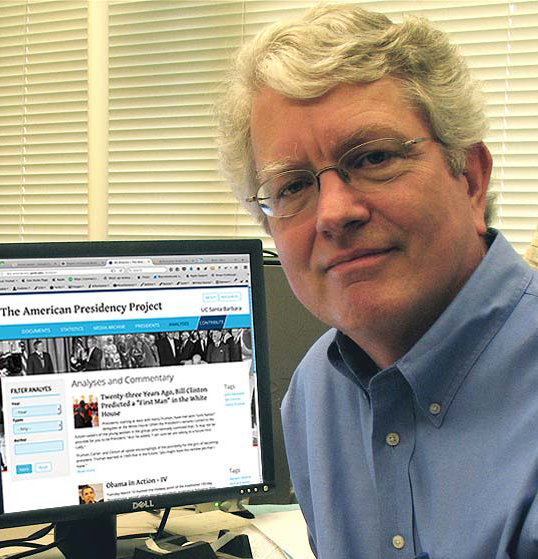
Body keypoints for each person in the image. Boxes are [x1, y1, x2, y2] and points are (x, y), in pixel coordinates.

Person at [215, 4, 538, 558]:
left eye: (373, 157)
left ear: (470, 179)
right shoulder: (314, 396)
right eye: (292, 186)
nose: (333, 213)